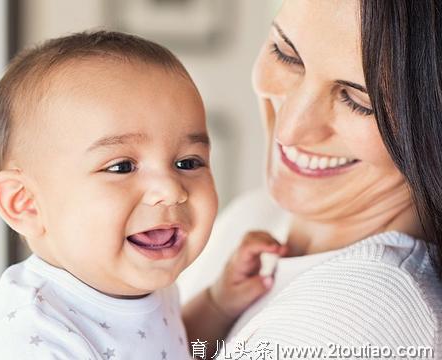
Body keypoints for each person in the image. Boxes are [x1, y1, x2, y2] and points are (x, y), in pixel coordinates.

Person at [0, 31, 285, 359]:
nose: (171, 190)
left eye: (187, 162)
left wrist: (219, 304)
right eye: (121, 167)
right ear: (26, 203)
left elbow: (167, 346)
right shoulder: (29, 334)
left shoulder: (145, 285)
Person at [182, 0, 442, 358]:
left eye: (357, 101)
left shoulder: (356, 318)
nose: (289, 130)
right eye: (286, 53)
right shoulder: (255, 216)